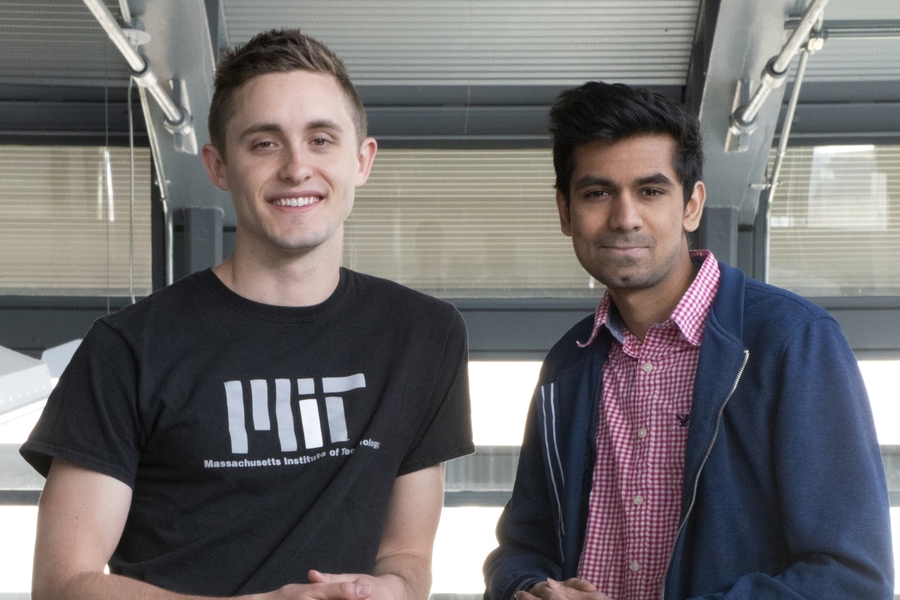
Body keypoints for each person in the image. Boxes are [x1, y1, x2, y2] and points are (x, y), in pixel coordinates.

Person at [21, 29, 474, 600]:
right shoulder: (127, 347)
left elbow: (407, 553)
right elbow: (62, 583)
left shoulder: (424, 335)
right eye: (264, 143)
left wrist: (393, 590)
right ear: (217, 166)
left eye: (320, 140)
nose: (295, 168)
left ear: (362, 161)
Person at [482, 81, 893, 600]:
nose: (624, 217)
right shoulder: (569, 362)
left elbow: (853, 579)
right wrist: (525, 589)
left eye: (650, 191)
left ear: (692, 205)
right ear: (565, 212)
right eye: (597, 193)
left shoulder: (792, 342)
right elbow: (521, 546)